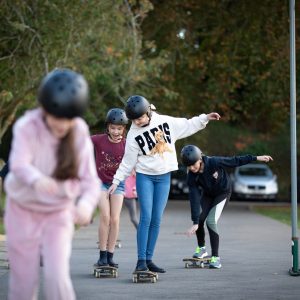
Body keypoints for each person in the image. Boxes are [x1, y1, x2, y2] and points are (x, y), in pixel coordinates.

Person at [4, 69, 101, 300]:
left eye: (69, 118)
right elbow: (18, 164)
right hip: (22, 210)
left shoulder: (78, 132)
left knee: (57, 276)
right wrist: (37, 180)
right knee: (24, 280)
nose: (62, 125)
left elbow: (90, 180)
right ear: (45, 110)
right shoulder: (26, 126)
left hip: (58, 213)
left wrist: (86, 206)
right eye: (58, 118)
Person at [108, 95, 220, 273]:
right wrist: (116, 180)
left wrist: (205, 118)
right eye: (134, 120)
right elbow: (128, 162)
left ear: (148, 112)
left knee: (156, 220)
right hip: (145, 176)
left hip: (164, 178)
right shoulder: (133, 134)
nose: (137, 122)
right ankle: (141, 261)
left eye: (140, 118)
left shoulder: (165, 122)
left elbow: (188, 125)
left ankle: (149, 259)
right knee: (146, 217)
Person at [180, 144, 273, 269]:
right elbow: (194, 198)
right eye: (189, 166)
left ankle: (216, 258)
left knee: (211, 221)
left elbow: (235, 161)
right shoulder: (191, 176)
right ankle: (202, 249)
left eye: (193, 164)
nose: (191, 168)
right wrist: (195, 221)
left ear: (200, 159)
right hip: (208, 194)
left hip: (223, 192)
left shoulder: (214, 162)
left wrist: (256, 158)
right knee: (201, 219)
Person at [91, 108, 128, 268]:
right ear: (107, 127)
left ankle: (110, 255)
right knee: (105, 217)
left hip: (118, 184)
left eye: (119, 128)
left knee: (114, 219)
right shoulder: (98, 140)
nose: (115, 131)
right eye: (112, 128)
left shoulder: (127, 144)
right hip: (100, 182)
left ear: (123, 129)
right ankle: (102, 255)